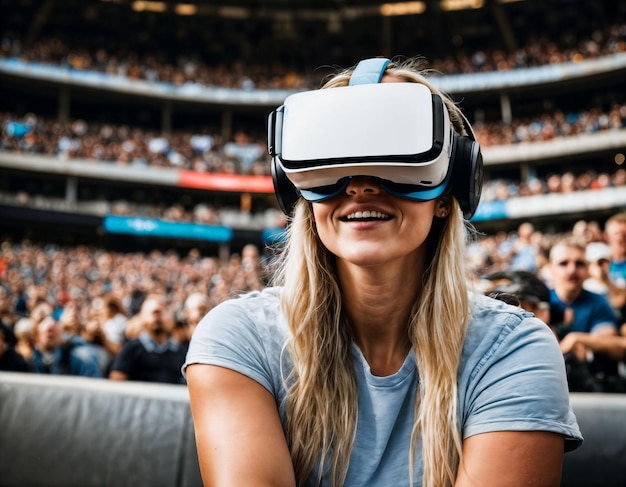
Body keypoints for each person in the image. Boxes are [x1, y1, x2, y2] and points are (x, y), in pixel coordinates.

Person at [184, 57, 582, 487]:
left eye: (395, 153)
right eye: (332, 159)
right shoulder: (237, 339)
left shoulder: (514, 349)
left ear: (450, 190)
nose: (360, 184)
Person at [547, 237, 625, 392]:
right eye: (564, 263)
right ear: (550, 268)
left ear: (587, 268)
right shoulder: (540, 302)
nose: (572, 270)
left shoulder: (598, 302)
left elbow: (614, 345)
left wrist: (576, 339)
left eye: (579, 263)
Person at [109, 293, 186, 384]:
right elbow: (116, 382)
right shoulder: (131, 349)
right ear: (141, 317)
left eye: (162, 311)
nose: (157, 317)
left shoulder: (180, 351)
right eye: (153, 312)